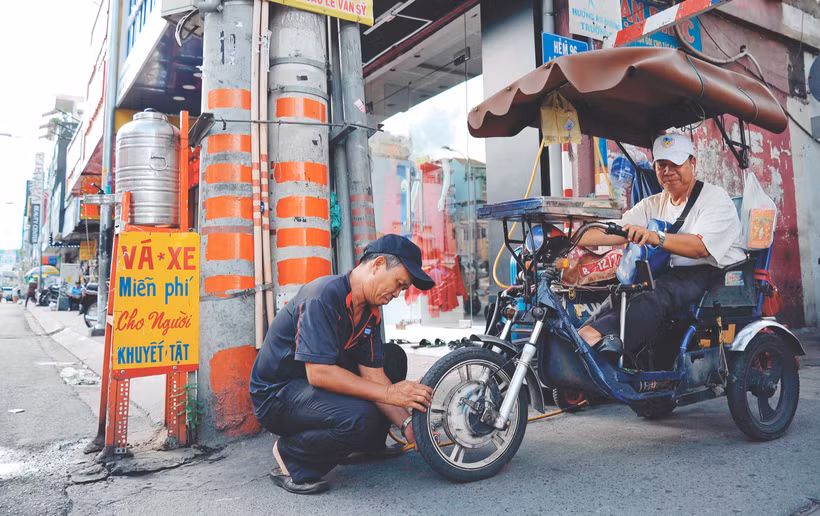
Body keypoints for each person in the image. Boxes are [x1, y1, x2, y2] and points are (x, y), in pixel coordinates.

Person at [250, 234, 436, 495]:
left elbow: (375, 376)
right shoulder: (322, 297)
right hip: (278, 395)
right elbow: (319, 374)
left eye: (403, 290)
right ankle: (292, 457)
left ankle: (367, 445)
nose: (396, 294)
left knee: (392, 357)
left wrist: (408, 426)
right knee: (359, 414)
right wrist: (392, 393)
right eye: (398, 284)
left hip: (310, 388)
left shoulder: (370, 311)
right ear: (377, 264)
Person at [578, 133, 746, 357]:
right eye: (661, 165)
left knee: (655, 293)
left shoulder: (715, 198)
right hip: (669, 271)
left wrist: (656, 237)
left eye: (676, 164)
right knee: (623, 291)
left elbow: (701, 248)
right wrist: (573, 235)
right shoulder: (653, 203)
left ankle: (606, 344)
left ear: (692, 163)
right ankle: (582, 335)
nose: (668, 171)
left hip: (711, 272)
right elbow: (617, 230)